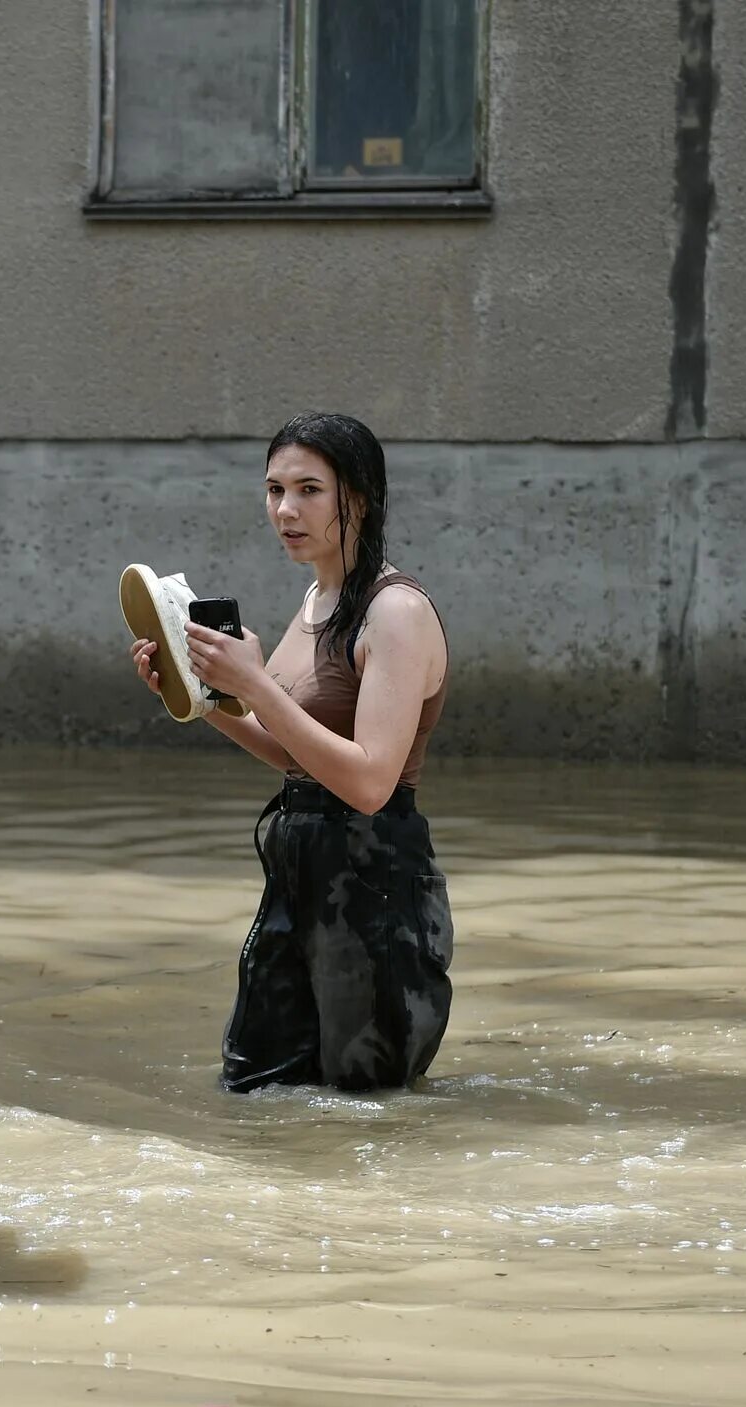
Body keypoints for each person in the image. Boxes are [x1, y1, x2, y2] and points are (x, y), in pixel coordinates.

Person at [128, 412, 454, 1092]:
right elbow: (296, 757)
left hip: (374, 883)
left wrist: (251, 681)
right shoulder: (316, 600)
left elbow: (368, 782)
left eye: (309, 489)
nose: (285, 509)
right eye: (274, 489)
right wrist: (203, 697)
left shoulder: (395, 612)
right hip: (298, 871)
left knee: (365, 1102)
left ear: (357, 497)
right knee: (254, 1085)